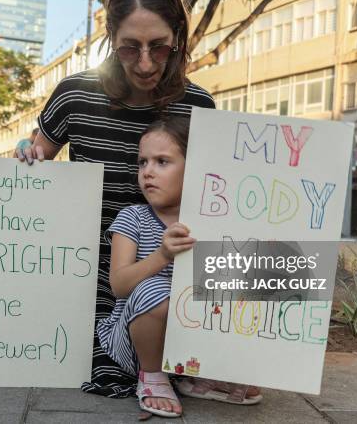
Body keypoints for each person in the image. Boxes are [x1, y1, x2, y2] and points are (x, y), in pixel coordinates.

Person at [16, 0, 216, 397]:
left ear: (178, 37)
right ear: (110, 36)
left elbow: (214, 201)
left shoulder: (199, 106)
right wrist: (27, 158)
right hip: (89, 286)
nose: (145, 63)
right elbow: (35, 171)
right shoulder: (74, 94)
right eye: (129, 47)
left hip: (174, 282)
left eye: (159, 47)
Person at [98, 116, 262, 417]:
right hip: (137, 343)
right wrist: (161, 256)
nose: (147, 172)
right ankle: (152, 377)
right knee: (153, 289)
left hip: (193, 338)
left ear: (196, 168)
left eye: (162, 162)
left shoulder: (214, 222)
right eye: (142, 162)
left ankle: (198, 375)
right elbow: (119, 285)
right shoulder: (132, 217)